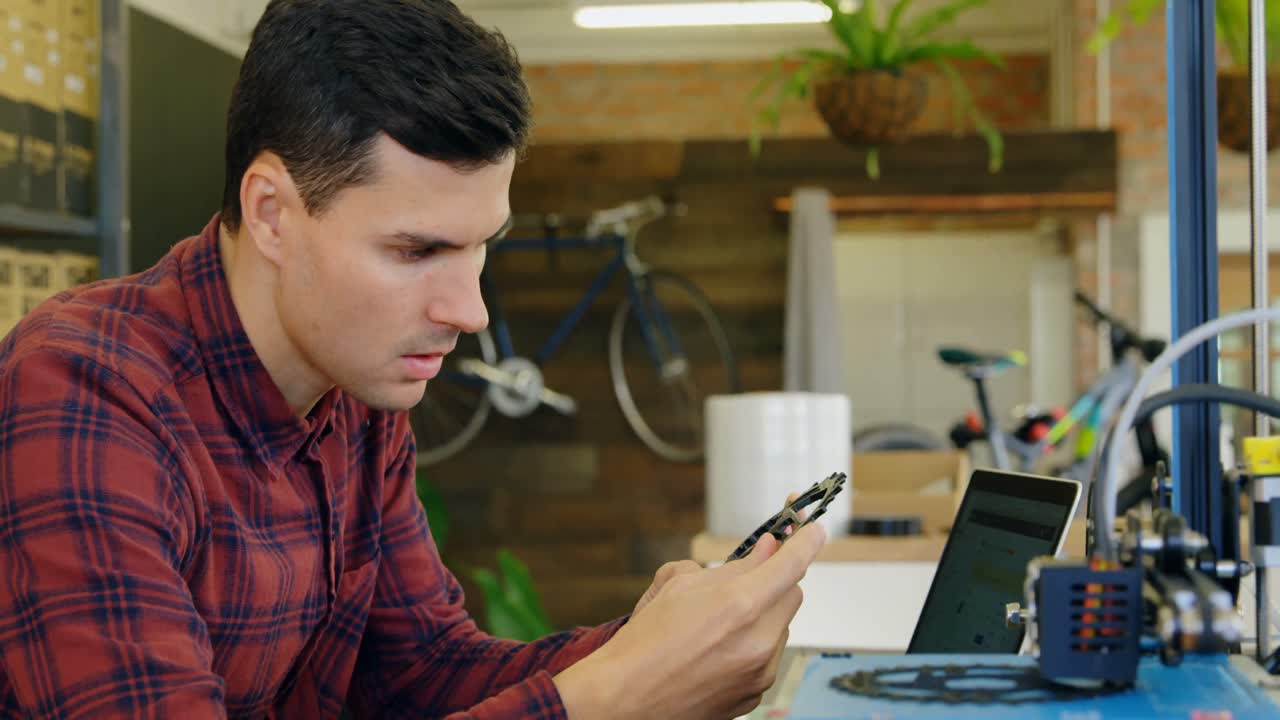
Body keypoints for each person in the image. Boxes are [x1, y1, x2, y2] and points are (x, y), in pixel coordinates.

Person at [0, 1, 825, 718]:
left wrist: (654, 646)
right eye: (416, 249)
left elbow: (424, 676)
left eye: (478, 249)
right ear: (272, 214)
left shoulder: (354, 387)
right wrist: (609, 699)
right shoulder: (81, 395)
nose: (468, 312)